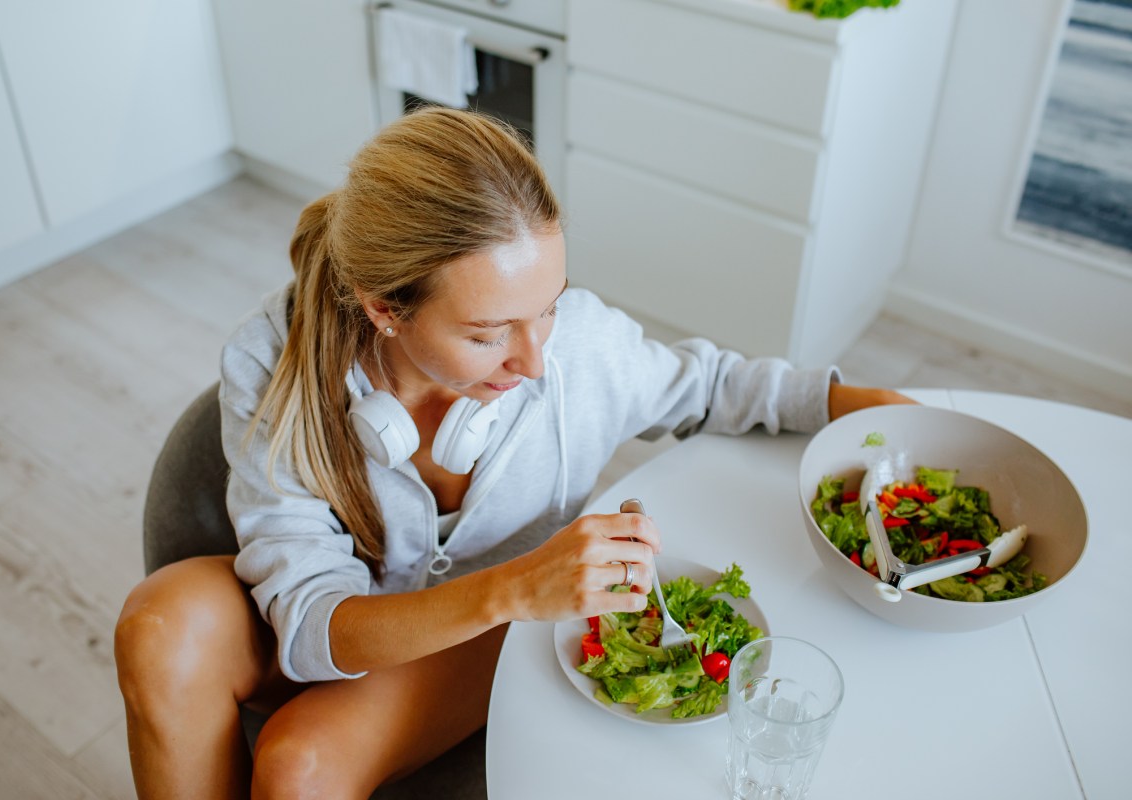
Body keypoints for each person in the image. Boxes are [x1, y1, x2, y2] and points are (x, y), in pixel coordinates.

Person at [114, 106, 913, 799]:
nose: (534, 362)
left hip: (477, 637)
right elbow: (310, 628)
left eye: (549, 309)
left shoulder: (581, 352)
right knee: (159, 623)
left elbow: (711, 386)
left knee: (299, 766)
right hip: (374, 617)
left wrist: (846, 400)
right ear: (385, 310)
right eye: (487, 333)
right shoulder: (274, 361)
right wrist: (515, 588)